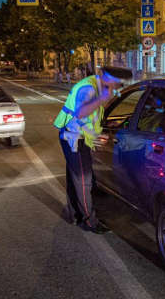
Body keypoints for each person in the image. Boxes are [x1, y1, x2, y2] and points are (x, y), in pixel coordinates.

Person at [53, 66, 132, 234]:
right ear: (101, 74)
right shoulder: (88, 88)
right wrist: (102, 98)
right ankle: (90, 221)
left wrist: (102, 128)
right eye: (113, 80)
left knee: (75, 179)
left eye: (118, 82)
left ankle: (75, 215)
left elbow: (93, 116)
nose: (115, 85)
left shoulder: (101, 86)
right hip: (74, 139)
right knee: (83, 181)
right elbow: (81, 112)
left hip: (76, 137)